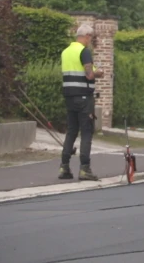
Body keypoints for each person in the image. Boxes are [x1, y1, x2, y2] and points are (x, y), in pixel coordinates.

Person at [59, 24, 103, 181]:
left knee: (71, 130)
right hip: (84, 97)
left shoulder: (66, 52)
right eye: (91, 38)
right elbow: (89, 75)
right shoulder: (84, 51)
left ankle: (64, 167)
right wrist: (99, 72)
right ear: (86, 36)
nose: (91, 41)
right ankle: (85, 169)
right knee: (86, 131)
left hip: (69, 96)